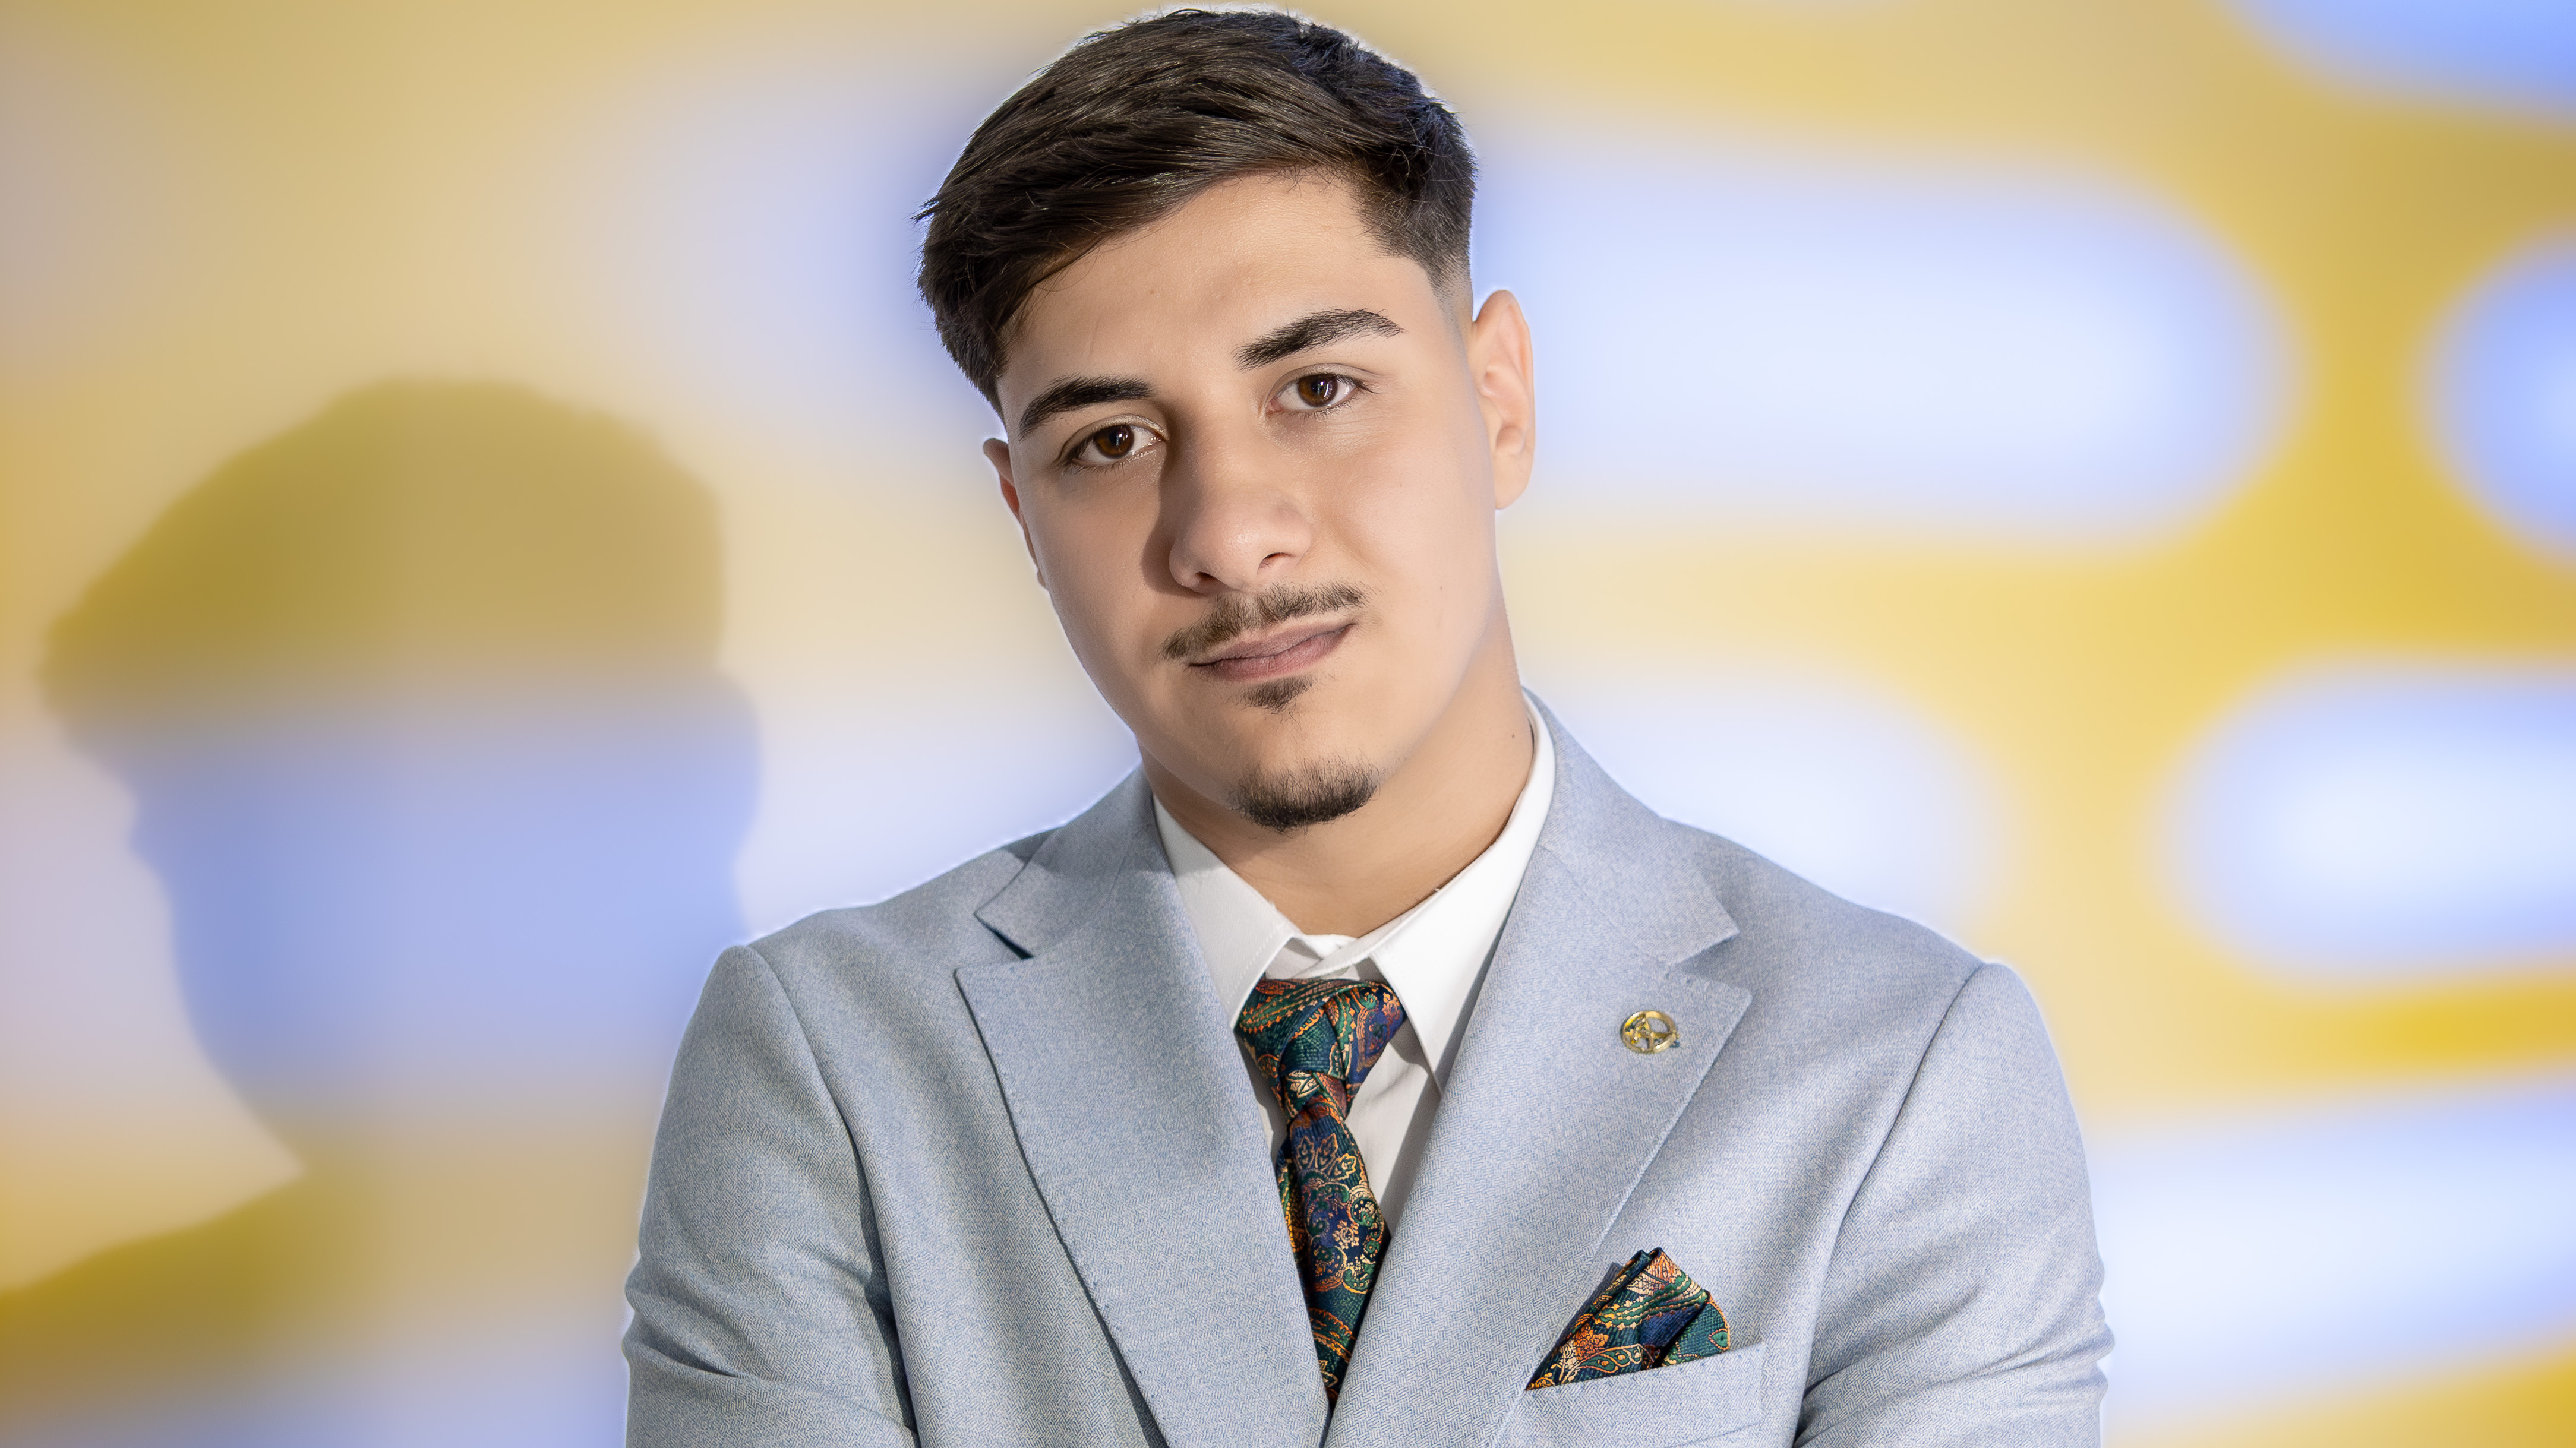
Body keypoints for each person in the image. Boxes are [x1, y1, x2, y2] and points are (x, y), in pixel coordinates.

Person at [622, 10, 2110, 1446]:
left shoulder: (1892, 1064)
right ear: (1023, 513)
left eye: (1317, 387)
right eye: (1111, 441)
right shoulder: (834, 1064)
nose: (1228, 534)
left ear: (1496, 398)